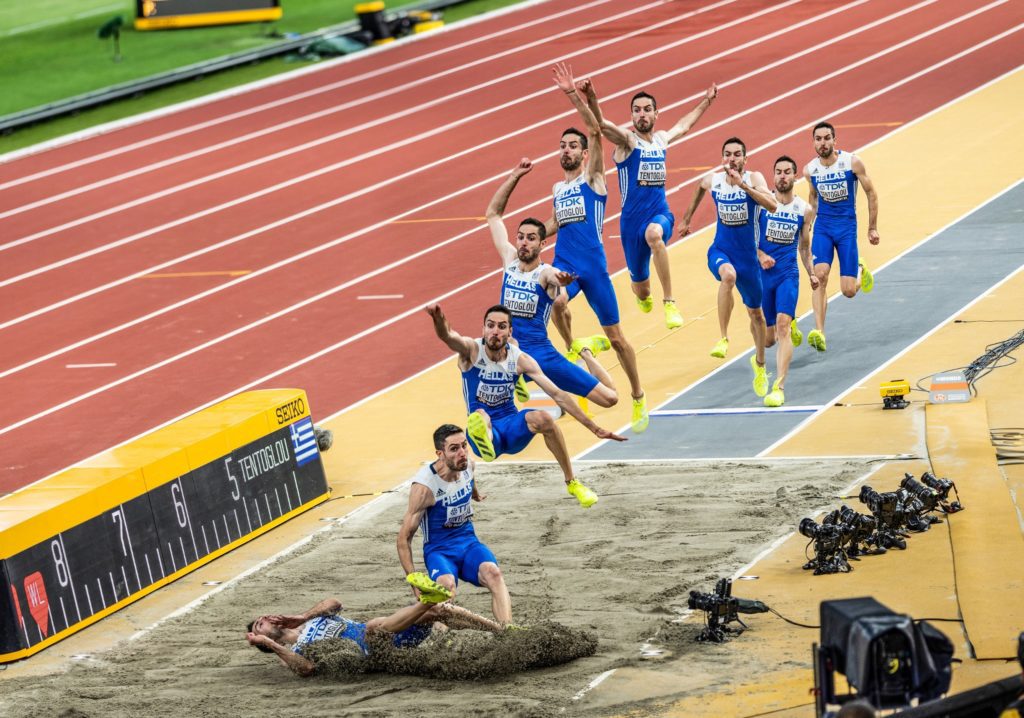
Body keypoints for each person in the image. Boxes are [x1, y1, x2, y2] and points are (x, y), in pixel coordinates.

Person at [425, 303, 625, 507]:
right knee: (480, 416)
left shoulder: (522, 360)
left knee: (545, 419)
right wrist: (438, 319)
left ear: (509, 330)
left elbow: (558, 394)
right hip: (484, 430)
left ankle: (572, 482)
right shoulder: (471, 352)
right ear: (483, 329)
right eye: (490, 325)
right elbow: (448, 336)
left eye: (501, 327)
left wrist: (595, 428)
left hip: (512, 427)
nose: (495, 331)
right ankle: (487, 437)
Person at [546, 62, 650, 433]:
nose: (568, 150)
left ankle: (638, 396)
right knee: (556, 301)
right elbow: (557, 223)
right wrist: (533, 234)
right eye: (563, 146)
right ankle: (575, 346)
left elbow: (595, 129)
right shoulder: (558, 191)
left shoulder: (594, 178)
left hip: (595, 269)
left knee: (618, 339)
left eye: (573, 145)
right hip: (565, 264)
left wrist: (577, 95)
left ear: (584, 153)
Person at [579, 78, 718, 329]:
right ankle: (644, 293)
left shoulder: (661, 140)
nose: (641, 115)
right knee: (641, 290)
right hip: (631, 225)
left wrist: (707, 100)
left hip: (659, 213)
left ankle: (669, 302)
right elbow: (601, 124)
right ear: (632, 115)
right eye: (636, 110)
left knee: (655, 235)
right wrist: (592, 97)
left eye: (646, 109)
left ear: (656, 113)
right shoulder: (628, 142)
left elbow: (684, 126)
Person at [484, 158, 618, 410]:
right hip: (508, 348)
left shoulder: (546, 273)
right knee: (483, 356)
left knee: (609, 398)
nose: (524, 242)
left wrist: (563, 280)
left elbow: (555, 277)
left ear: (542, 244)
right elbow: (493, 214)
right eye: (521, 237)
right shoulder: (509, 261)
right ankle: (511, 377)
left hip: (542, 354)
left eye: (531, 238)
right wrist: (514, 176)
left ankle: (585, 350)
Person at [245, 573, 502, 676]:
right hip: (374, 655)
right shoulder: (286, 654)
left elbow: (335, 602)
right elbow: (306, 670)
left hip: (393, 633)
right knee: (372, 627)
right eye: (260, 625)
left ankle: (500, 631)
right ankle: (424, 603)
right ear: (266, 641)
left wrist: (302, 616)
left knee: (437, 610)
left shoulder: (306, 620)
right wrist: (269, 644)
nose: (265, 619)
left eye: (264, 617)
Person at [680, 137, 778, 397]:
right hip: (721, 250)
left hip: (748, 259)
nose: (732, 159)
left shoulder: (755, 178)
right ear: (722, 158)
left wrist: (743, 185)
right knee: (728, 276)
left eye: (737, 154)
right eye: (727, 154)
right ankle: (723, 337)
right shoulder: (714, 180)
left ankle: (759, 364)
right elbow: (700, 187)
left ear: (745, 159)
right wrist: (686, 219)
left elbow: (772, 205)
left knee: (756, 316)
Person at [397, 424, 512, 625]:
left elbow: (469, 479)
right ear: (440, 454)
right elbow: (403, 539)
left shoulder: (468, 465)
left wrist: (474, 493)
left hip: (468, 543)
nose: (462, 453)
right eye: (454, 449)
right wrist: (414, 581)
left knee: (493, 573)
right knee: (445, 588)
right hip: (439, 550)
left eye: (464, 446)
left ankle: (508, 631)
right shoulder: (425, 488)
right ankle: (440, 640)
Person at [803, 120, 880, 352]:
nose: (823, 142)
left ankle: (859, 269)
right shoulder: (810, 170)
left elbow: (871, 194)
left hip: (846, 228)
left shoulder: (852, 162)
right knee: (820, 275)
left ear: (835, 140)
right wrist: (807, 228)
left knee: (848, 291)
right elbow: (813, 200)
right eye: (819, 139)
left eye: (827, 138)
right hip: (824, 228)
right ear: (814, 142)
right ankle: (820, 332)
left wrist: (872, 227)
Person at [756, 156, 818, 407]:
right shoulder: (761, 206)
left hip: (787, 274)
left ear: (794, 177)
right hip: (763, 276)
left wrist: (811, 271)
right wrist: (760, 255)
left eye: (787, 172)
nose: (782, 176)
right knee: (769, 339)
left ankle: (779, 386)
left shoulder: (804, 210)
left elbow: (804, 247)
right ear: (773, 177)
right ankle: (783, 330)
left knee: (782, 326)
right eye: (778, 172)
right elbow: (747, 241)